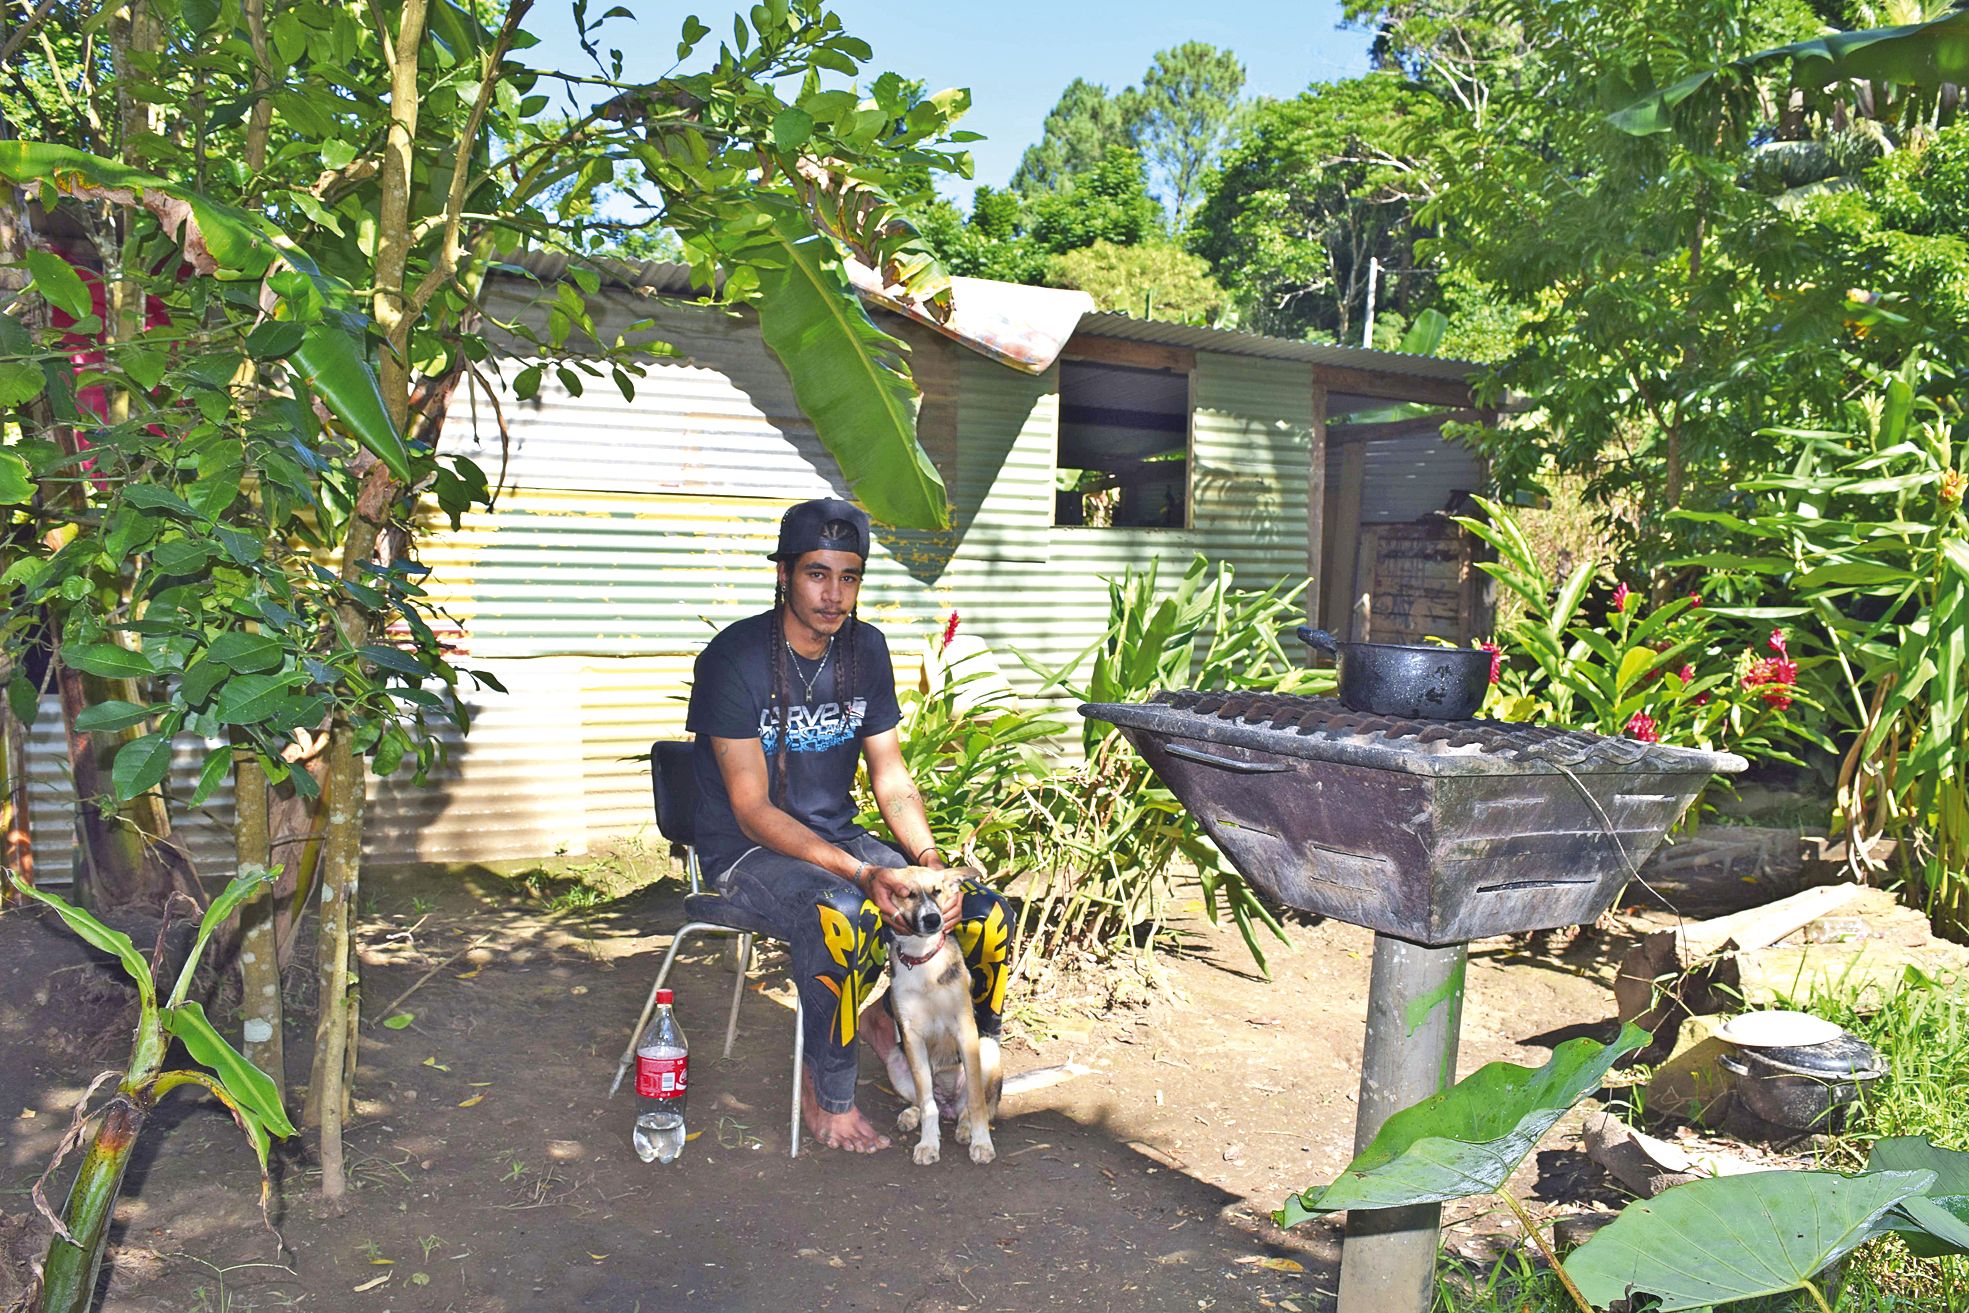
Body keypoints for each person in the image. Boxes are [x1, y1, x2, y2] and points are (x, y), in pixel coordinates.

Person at [685, 498, 1013, 1153]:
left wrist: (930, 864)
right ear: (783, 573)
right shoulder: (734, 659)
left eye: (849, 576)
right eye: (816, 574)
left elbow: (890, 776)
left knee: (984, 912)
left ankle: (968, 1074)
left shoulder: (866, 650)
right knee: (840, 913)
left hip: (836, 837)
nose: (834, 594)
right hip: (744, 851)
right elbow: (751, 810)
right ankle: (826, 1094)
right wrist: (864, 873)